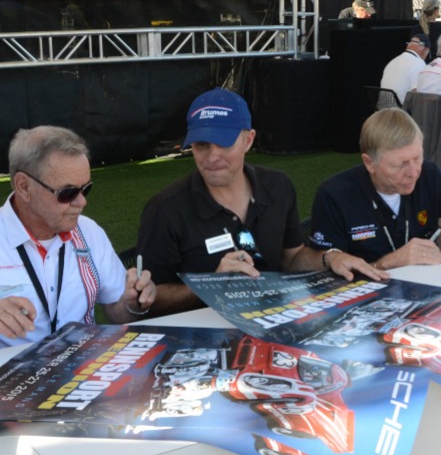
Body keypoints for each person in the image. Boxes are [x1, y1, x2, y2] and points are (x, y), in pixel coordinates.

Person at [138, 88, 384, 317]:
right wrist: (212, 284)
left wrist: (330, 258)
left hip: (276, 319)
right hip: (203, 335)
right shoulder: (165, 210)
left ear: (248, 140)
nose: (212, 156)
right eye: (201, 145)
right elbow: (151, 296)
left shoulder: (278, 187)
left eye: (224, 143)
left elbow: (292, 256)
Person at [0, 126, 157, 354]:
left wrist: (134, 300)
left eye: (86, 189)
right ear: (24, 187)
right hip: (6, 382)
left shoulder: (89, 232)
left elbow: (117, 311)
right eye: (67, 193)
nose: (81, 202)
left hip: (80, 372)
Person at [308, 109, 441, 269]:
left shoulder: (430, 177)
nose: (414, 172)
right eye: (401, 164)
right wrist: (385, 264)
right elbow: (326, 274)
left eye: (417, 158)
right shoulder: (334, 196)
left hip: (427, 298)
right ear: (369, 163)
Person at [380, 33, 431, 103]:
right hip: (401, 111)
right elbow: (417, 93)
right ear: (425, 50)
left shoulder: (392, 61)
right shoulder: (418, 63)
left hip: (384, 109)